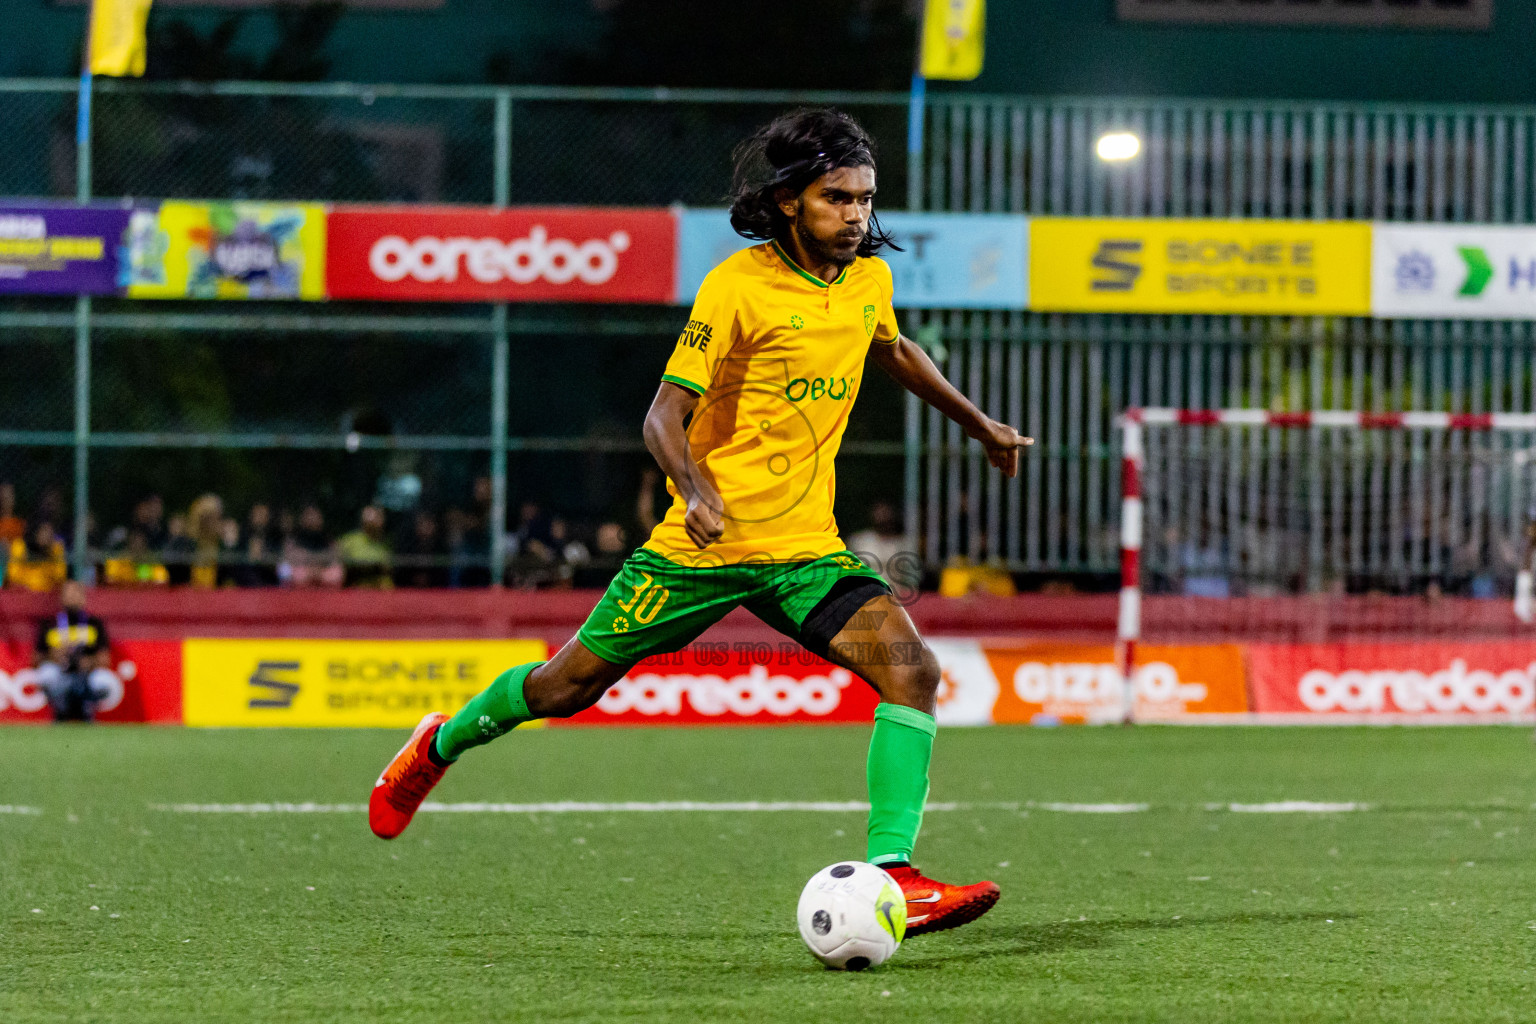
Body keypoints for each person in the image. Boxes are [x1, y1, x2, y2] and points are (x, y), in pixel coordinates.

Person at [368, 109, 1031, 937]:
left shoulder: (868, 279)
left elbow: (891, 349)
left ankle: (896, 874)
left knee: (913, 671)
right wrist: (696, 489)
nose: (856, 216)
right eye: (837, 199)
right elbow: (661, 415)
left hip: (804, 552)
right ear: (790, 200)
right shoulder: (737, 286)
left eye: (865, 199)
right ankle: (440, 743)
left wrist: (980, 424)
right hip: (698, 550)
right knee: (565, 687)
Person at [34, 580, 116, 722]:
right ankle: (60, 708)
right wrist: (53, 657)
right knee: (46, 674)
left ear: (83, 597)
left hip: (86, 676)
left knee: (105, 681)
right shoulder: (50, 623)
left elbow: (105, 659)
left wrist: (88, 662)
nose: (71, 597)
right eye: (68, 593)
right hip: (61, 674)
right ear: (61, 597)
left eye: (75, 593)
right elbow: (35, 660)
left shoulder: (94, 623)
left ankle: (88, 708)